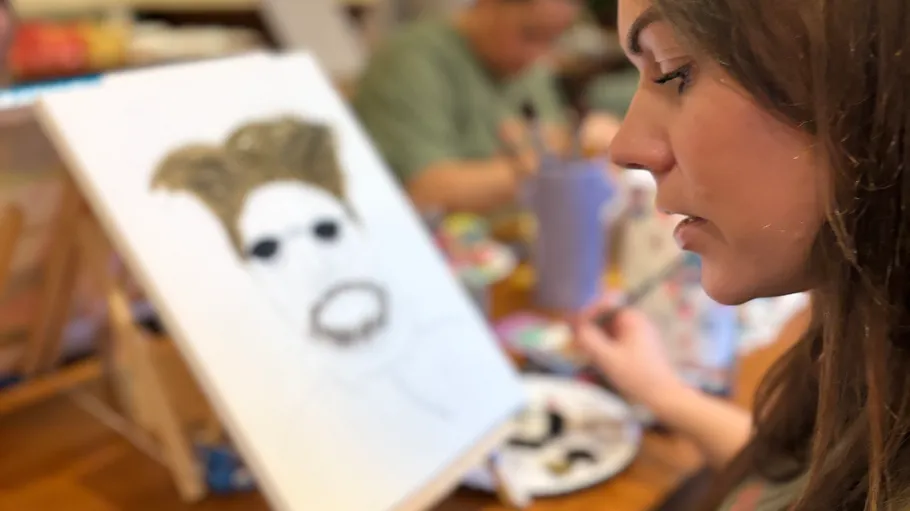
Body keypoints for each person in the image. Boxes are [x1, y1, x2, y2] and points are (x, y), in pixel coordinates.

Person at [572, 0, 910, 510]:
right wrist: (661, 392)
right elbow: (796, 485)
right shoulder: (866, 353)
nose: (625, 148)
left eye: (675, 72)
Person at [352, 0, 581, 215]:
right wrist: (540, 166)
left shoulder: (528, 72)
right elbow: (426, 191)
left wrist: (568, 148)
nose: (538, 55)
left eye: (553, 39)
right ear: (489, 5)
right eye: (530, 33)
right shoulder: (412, 62)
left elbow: (557, 142)